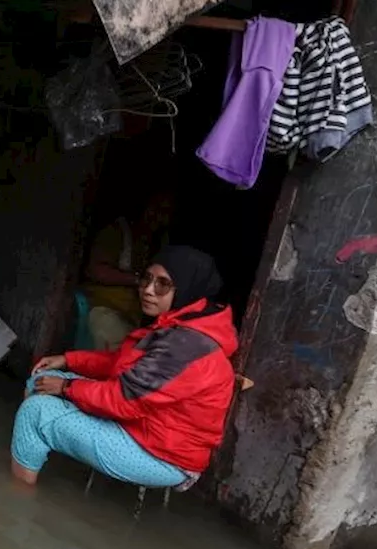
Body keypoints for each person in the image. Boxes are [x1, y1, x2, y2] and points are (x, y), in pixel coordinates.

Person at [12, 246, 237, 490]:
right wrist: (69, 360)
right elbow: (121, 364)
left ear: (185, 291)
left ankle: (18, 496)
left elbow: (122, 400)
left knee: (34, 412)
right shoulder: (180, 326)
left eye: (162, 284)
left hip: (163, 456)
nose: (149, 290)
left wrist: (67, 386)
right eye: (146, 279)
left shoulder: (186, 344)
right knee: (42, 379)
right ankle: (40, 455)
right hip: (145, 428)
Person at [79, 191, 174, 350]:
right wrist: (137, 280)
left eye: (164, 213)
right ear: (143, 207)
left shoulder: (154, 245)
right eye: (155, 209)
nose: (158, 217)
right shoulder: (117, 232)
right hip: (102, 309)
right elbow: (95, 270)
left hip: (131, 319)